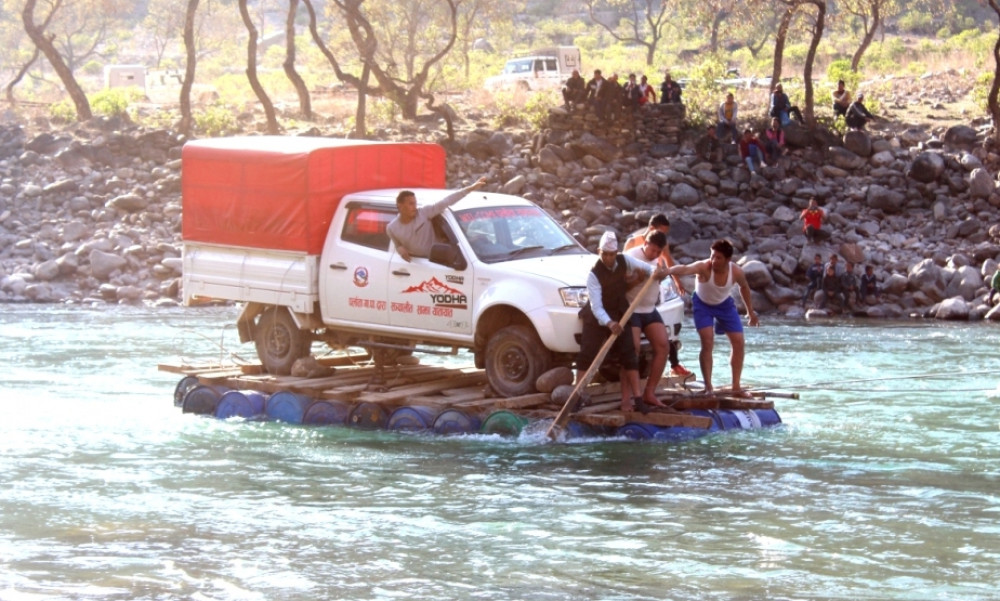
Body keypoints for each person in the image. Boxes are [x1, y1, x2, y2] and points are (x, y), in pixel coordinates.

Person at [578, 231, 669, 413]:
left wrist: (655, 271)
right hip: (598, 316)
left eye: (612, 254)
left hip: (620, 311)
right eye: (605, 254)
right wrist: (609, 323)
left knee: (629, 353)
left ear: (616, 253)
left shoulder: (624, 260)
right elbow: (597, 308)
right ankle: (577, 394)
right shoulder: (593, 275)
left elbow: (644, 266)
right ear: (599, 252)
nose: (609, 258)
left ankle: (638, 398)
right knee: (588, 353)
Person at [665, 239, 759, 396]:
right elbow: (685, 268)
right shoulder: (704, 266)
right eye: (712, 256)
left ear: (728, 260)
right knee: (707, 341)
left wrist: (751, 312)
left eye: (718, 258)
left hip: (724, 305)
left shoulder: (735, 271)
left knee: (739, 342)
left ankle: (736, 386)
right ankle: (708, 387)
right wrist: (666, 271)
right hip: (702, 305)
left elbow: (744, 287)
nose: (714, 260)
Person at [623, 214, 693, 378]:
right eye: (662, 232)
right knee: (634, 344)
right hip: (632, 300)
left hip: (652, 298)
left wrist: (676, 281)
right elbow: (623, 268)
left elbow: (668, 263)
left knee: (663, 331)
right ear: (652, 229)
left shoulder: (661, 246)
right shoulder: (633, 244)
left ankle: (674, 364)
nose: (664, 237)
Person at [624, 231, 673, 406]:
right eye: (651, 250)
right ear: (645, 243)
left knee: (663, 346)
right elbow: (620, 285)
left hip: (649, 309)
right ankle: (627, 398)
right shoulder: (630, 257)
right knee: (632, 350)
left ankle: (649, 393)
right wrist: (637, 279)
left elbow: (661, 281)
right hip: (632, 308)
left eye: (657, 252)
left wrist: (664, 274)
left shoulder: (660, 260)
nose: (654, 255)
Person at [388, 177, 488, 262]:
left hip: (437, 262)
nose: (414, 207)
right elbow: (397, 243)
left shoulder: (424, 212)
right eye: (411, 204)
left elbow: (447, 201)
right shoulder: (391, 228)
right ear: (400, 206)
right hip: (415, 265)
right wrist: (399, 248)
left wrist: (471, 188)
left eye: (415, 203)